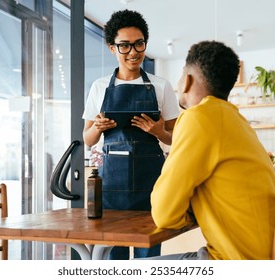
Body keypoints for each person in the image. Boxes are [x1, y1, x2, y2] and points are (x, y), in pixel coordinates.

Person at [150, 41, 275, 260]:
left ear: (188, 81)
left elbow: (163, 214)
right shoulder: (237, 120)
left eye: (181, 74)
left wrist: (186, 215)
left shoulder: (197, 118)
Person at [82, 9, 179, 260]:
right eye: (124, 46)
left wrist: (158, 131)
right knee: (114, 251)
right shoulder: (99, 86)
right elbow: (88, 138)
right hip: (112, 182)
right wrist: (97, 128)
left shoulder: (161, 85)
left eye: (139, 44)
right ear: (112, 48)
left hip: (151, 182)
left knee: (150, 251)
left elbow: (177, 138)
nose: (133, 52)